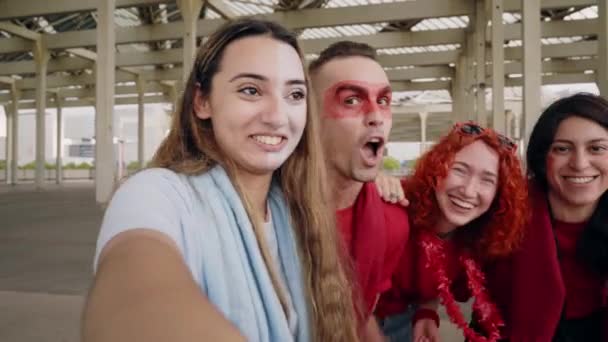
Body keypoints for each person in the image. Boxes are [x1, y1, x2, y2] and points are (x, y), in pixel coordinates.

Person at [81, 19, 359, 342]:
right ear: (202, 101)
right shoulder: (155, 193)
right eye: (251, 90)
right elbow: (132, 297)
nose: (277, 116)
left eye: (295, 94)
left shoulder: (297, 210)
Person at [374, 122, 529, 342]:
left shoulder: (477, 237)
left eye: (487, 180)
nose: (468, 190)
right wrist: (366, 185)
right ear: (436, 168)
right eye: (459, 170)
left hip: (403, 322)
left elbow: (436, 275)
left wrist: (426, 311)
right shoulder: (394, 207)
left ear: (499, 194)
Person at [484, 93, 608, 341]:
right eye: (562, 149)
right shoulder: (502, 215)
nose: (580, 164)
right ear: (543, 158)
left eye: (597, 148)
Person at [308, 41, 411, 340]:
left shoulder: (392, 224)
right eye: (351, 100)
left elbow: (360, 317)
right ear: (308, 118)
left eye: (384, 100)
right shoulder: (262, 212)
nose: (376, 115)